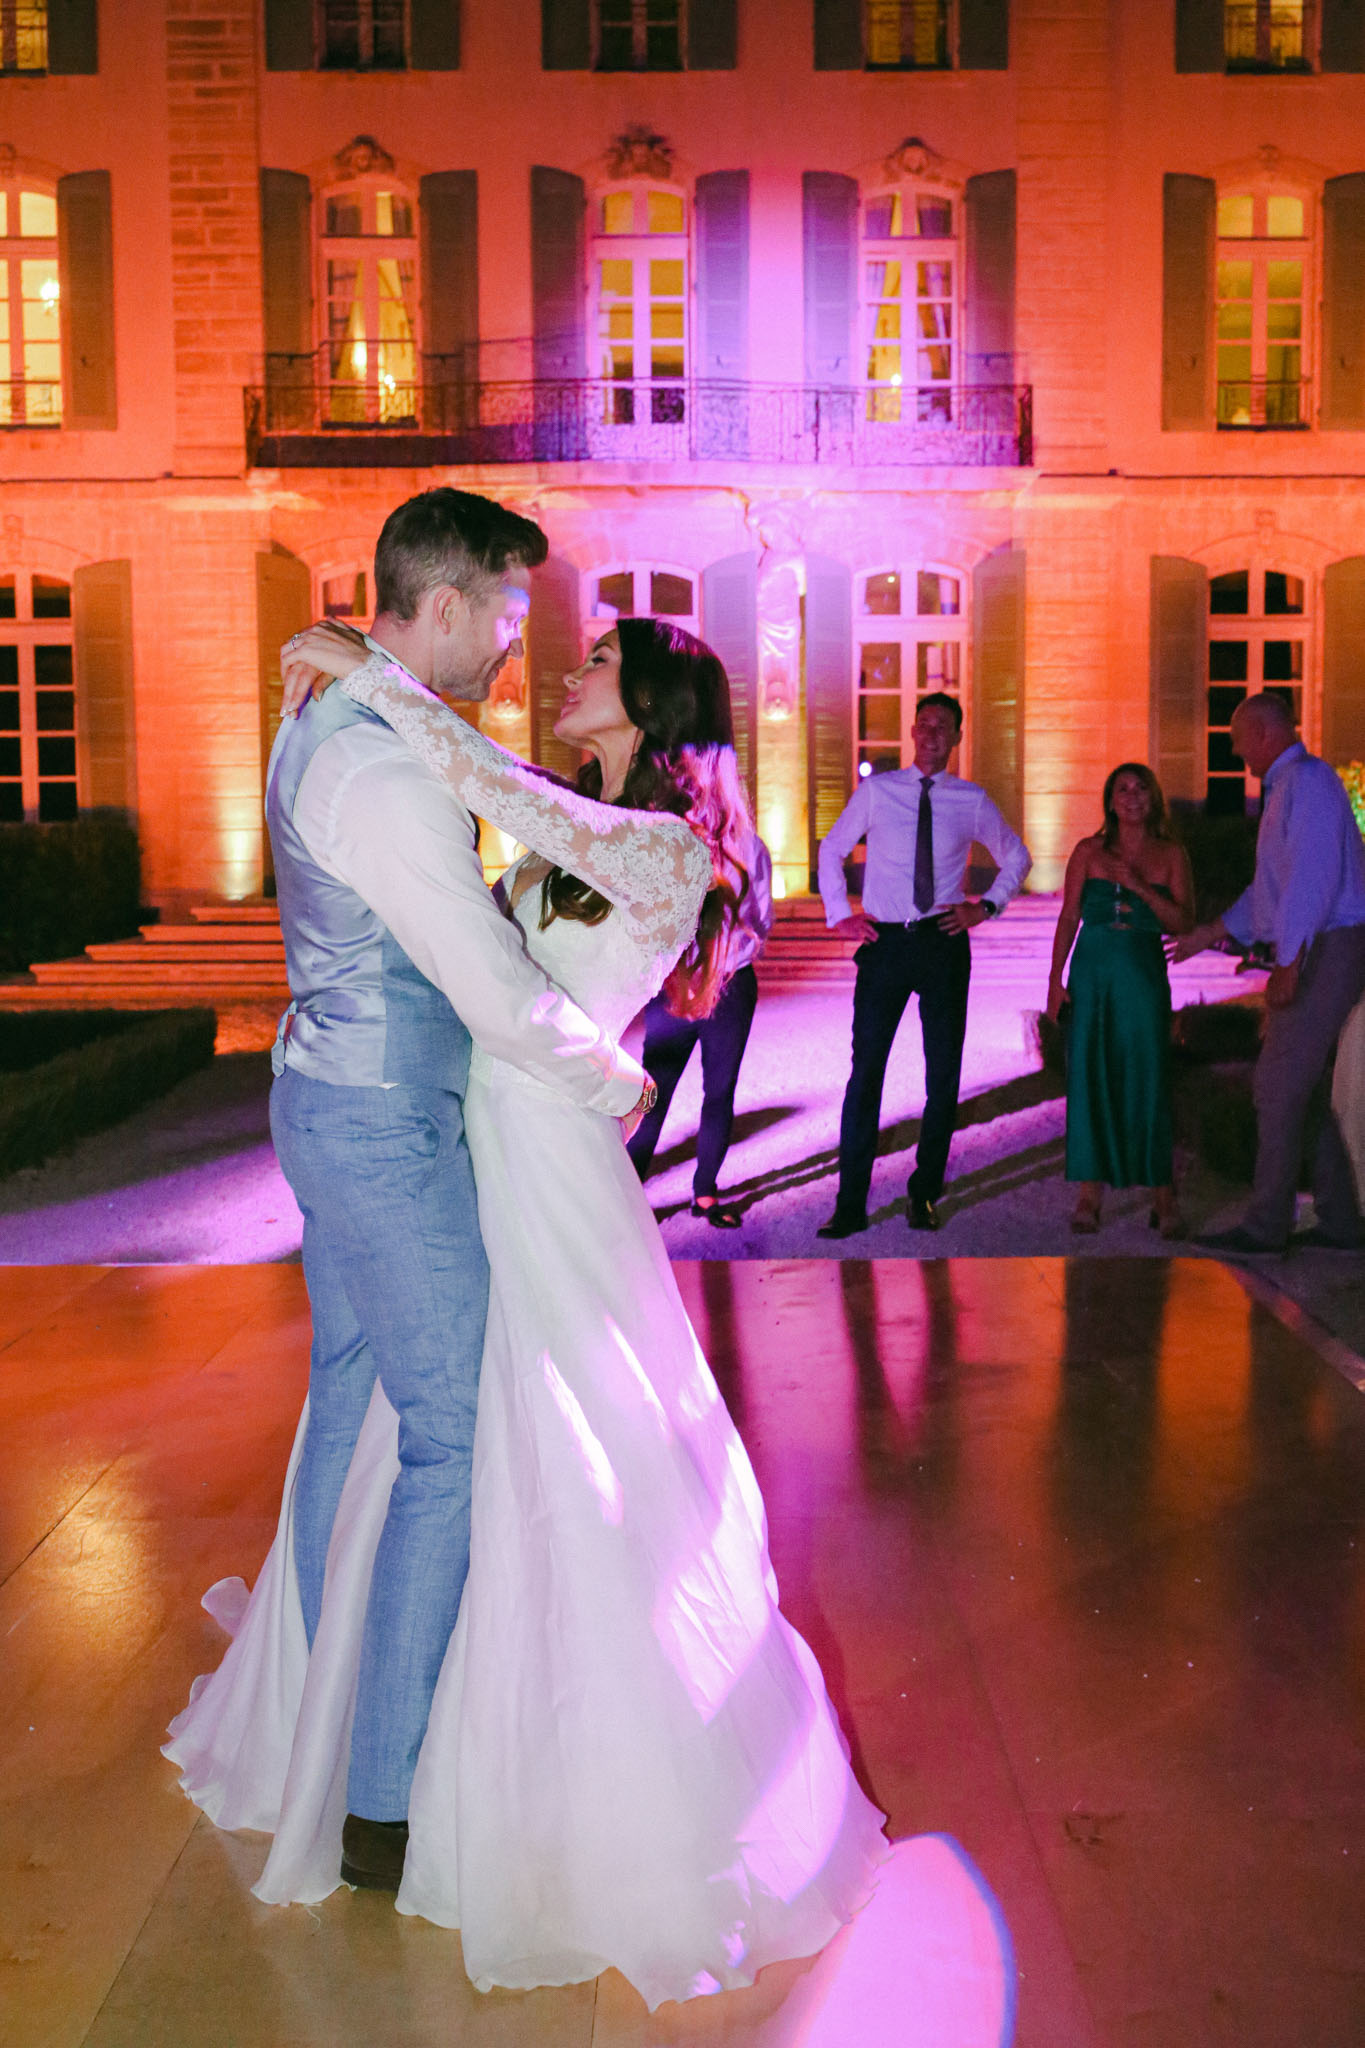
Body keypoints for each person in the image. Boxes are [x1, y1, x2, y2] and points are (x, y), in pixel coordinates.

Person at [164, 600, 889, 2011]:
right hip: (485, 1141)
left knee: (560, 1445)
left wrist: (378, 677)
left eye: (602, 665)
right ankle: (402, 1730)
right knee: (459, 1427)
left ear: (660, 710)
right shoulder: (581, 826)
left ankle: (560, 1783)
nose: (569, 670)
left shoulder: (668, 847)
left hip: (549, 1166)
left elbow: (487, 788)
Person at [816, 693, 1031, 1237]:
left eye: (945, 727)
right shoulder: (879, 791)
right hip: (886, 944)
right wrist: (841, 914)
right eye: (927, 723)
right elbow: (832, 848)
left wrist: (984, 906)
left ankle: (924, 1193)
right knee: (865, 1074)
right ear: (913, 731)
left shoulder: (971, 800)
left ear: (957, 738)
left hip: (942, 943)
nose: (933, 733)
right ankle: (849, 1203)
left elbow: (1017, 856)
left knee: (943, 1075)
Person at [1173, 691, 1365, 1254]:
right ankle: (1341, 1222)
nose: (1238, 757)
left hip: (1328, 948)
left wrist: (1288, 962)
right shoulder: (1295, 787)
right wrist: (1212, 931)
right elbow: (1273, 889)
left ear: (1261, 734)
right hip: (1327, 946)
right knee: (1298, 1089)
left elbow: (1310, 881)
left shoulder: (1306, 784)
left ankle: (1267, 1225)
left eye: (1237, 744)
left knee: (1277, 1086)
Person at [1046, 763, 1194, 1236]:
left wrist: (1137, 887)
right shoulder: (1089, 851)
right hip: (1092, 972)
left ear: (1154, 798)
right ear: (1110, 800)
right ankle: (1089, 1193)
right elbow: (1070, 916)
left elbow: (1183, 923)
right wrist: (1054, 977)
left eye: (1141, 788)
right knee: (1091, 1075)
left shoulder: (1170, 854)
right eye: (1122, 789)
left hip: (1142, 975)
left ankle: (1162, 1194)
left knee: (1147, 1074)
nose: (1131, 796)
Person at [626, 828, 774, 1227]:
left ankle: (706, 1192)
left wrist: (732, 952)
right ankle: (624, 1196)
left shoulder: (749, 845)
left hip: (730, 982)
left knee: (720, 1090)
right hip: (677, 979)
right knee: (651, 1091)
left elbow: (761, 913)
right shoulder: (666, 836)